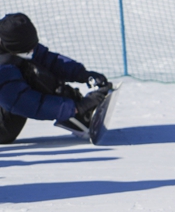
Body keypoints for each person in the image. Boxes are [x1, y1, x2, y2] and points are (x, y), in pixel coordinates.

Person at [0, 13, 111, 144]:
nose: (32, 51)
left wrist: (83, 74)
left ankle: (76, 111)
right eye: (28, 50)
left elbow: (49, 60)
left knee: (33, 68)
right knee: (32, 74)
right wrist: (75, 108)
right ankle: (77, 114)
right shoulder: (3, 68)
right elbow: (22, 102)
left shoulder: (13, 44)